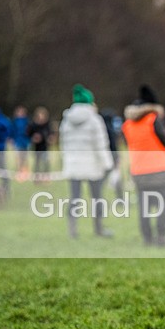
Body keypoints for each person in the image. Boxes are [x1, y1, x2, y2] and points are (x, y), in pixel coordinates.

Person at [122, 85, 165, 246]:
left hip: (139, 170)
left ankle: (147, 238)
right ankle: (161, 237)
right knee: (162, 205)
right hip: (160, 168)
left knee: (144, 206)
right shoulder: (153, 120)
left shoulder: (127, 124)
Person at [59, 84, 115, 238]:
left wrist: (66, 160)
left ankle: (72, 229)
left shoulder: (66, 120)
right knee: (97, 198)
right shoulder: (95, 120)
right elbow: (101, 144)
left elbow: (63, 143)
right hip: (92, 164)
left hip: (73, 164)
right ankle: (99, 228)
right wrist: (108, 164)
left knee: (75, 197)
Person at [27, 106, 52, 179]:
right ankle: (36, 177)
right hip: (36, 148)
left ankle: (46, 177)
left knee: (46, 162)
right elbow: (28, 134)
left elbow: (50, 134)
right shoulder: (33, 125)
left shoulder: (47, 125)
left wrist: (47, 138)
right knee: (37, 163)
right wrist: (33, 138)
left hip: (44, 147)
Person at [12, 105, 30, 178]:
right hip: (17, 142)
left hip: (25, 142)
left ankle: (25, 172)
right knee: (18, 158)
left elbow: (29, 131)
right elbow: (13, 131)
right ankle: (19, 172)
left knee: (25, 158)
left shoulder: (27, 121)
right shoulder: (15, 121)